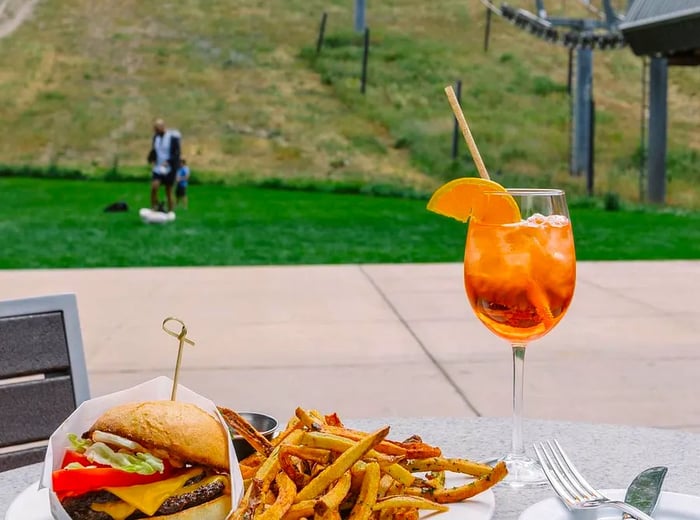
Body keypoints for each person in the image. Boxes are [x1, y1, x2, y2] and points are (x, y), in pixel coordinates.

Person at [147, 118, 181, 212]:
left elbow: (177, 153)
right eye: (155, 129)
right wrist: (151, 158)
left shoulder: (172, 138)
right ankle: (154, 207)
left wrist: (169, 161)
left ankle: (170, 211)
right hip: (158, 167)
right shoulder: (156, 137)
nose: (156, 131)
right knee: (154, 187)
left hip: (169, 168)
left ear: (162, 127)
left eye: (157, 129)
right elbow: (154, 150)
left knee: (168, 191)